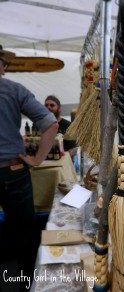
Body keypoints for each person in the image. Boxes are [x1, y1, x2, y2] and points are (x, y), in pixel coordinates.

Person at [0, 45, 59, 291]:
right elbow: (51, 125)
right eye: (4, 62)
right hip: (12, 171)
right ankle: (24, 284)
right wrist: (36, 161)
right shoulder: (13, 90)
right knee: (24, 230)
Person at [44, 95, 79, 172]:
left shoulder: (68, 125)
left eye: (52, 105)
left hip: (63, 166)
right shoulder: (40, 125)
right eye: (46, 105)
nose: (48, 107)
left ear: (59, 108)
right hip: (44, 164)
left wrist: (62, 160)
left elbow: (74, 149)